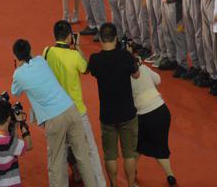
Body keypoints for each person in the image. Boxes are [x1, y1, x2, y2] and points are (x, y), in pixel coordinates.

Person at [10, 39, 96, 187]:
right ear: (30, 50)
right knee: (84, 157)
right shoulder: (40, 60)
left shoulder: (19, 74)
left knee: (56, 163)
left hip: (53, 119)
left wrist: (17, 67)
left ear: (16, 57)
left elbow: (15, 92)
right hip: (71, 109)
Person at [42, 21, 107, 186]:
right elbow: (86, 69)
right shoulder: (75, 56)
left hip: (55, 112)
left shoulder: (47, 52)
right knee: (89, 151)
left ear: (54, 35)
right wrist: (77, 47)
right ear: (70, 36)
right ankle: (99, 184)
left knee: (58, 156)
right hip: (77, 111)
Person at [86, 23, 139, 187]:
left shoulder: (95, 60)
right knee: (129, 153)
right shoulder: (125, 57)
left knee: (110, 155)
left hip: (107, 114)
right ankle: (131, 184)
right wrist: (130, 55)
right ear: (116, 38)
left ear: (101, 39)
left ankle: (114, 184)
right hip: (127, 112)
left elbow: (88, 69)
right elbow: (136, 75)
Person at [130, 51, 176, 185]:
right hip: (162, 111)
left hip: (145, 115)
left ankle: (131, 172)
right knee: (160, 146)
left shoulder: (124, 78)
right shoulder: (143, 68)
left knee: (137, 146)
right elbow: (158, 80)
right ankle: (170, 175)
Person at [0, 97, 32, 186]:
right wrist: (22, 123)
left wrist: (15, 126)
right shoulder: (8, 142)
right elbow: (29, 145)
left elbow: (12, 143)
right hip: (10, 183)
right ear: (9, 118)